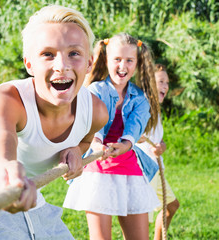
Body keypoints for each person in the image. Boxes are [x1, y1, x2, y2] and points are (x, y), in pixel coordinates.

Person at [0, 5, 109, 240]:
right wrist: (5, 172)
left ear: (89, 63)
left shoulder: (96, 112)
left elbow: (87, 138)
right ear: (29, 64)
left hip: (30, 194)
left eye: (74, 53)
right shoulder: (6, 99)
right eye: (48, 54)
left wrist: (77, 150)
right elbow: (0, 139)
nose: (62, 65)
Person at [64, 33, 161, 240]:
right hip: (98, 171)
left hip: (131, 171)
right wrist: (97, 143)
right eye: (117, 59)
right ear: (106, 60)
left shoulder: (140, 98)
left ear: (137, 63)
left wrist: (126, 145)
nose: (122, 66)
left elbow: (135, 126)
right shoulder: (94, 91)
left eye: (129, 60)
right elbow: (93, 122)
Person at [136, 63, 180, 240]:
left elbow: (156, 137)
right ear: (149, 83)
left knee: (171, 206)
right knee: (140, 222)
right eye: (161, 81)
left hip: (155, 168)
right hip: (143, 168)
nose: (165, 86)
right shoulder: (143, 103)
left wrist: (161, 145)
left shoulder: (156, 107)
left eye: (167, 83)